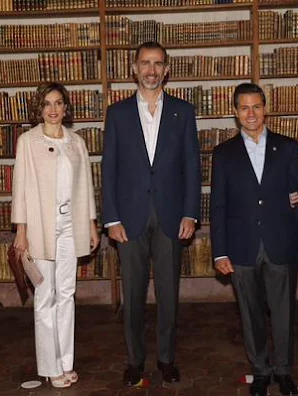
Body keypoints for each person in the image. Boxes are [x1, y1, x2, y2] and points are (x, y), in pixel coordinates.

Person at [101, 41, 201, 387]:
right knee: (133, 294)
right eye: (145, 63)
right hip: (129, 219)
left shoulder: (183, 112)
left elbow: (192, 166)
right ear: (134, 68)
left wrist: (191, 212)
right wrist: (111, 219)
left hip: (172, 216)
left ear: (167, 69)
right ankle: (134, 360)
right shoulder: (117, 114)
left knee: (169, 294)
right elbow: (109, 169)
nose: (151, 70)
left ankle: (167, 359)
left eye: (158, 64)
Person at [210, 83, 298, 396]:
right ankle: (261, 371)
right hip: (241, 247)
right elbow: (218, 205)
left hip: (281, 242)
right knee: (250, 314)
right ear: (236, 112)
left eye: (256, 106)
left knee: (283, 314)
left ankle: (284, 371)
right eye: (244, 107)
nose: (251, 114)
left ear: (265, 108)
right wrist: (219, 252)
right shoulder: (223, 154)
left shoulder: (288, 147)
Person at [11, 82, 99, 388]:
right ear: (40, 107)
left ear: (65, 107)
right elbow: (20, 189)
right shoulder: (27, 142)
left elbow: (86, 187)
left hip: (70, 229)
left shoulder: (77, 142)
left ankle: (65, 361)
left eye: (58, 103)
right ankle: (49, 366)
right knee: (45, 297)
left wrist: (90, 224)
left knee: (67, 294)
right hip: (39, 230)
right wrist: (21, 232)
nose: (53, 109)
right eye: (47, 103)